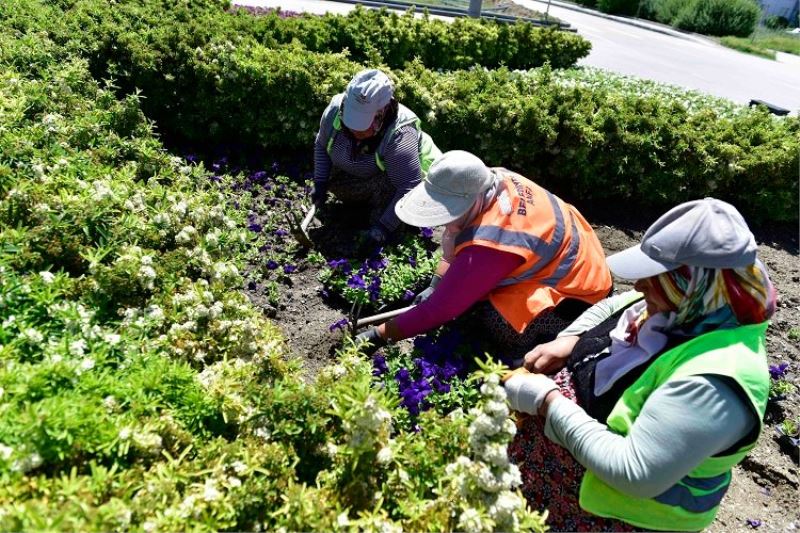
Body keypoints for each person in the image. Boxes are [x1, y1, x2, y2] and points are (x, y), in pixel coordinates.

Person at [503, 198, 776, 532]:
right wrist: (571, 339)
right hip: (557, 478)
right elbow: (618, 305)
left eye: (655, 277)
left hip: (611, 516)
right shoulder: (691, 309)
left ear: (694, 286)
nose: (639, 285)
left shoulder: (716, 380)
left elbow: (633, 472)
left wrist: (547, 402)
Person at [356, 150, 612, 360]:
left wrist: (378, 335)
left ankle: (525, 350)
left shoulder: (490, 243)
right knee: (472, 295)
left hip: (579, 298)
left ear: (470, 200)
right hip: (581, 256)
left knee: (493, 318)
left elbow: (439, 311)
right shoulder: (493, 178)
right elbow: (452, 245)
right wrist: (436, 283)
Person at [312, 68, 441, 249]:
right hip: (367, 174)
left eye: (363, 123)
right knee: (333, 169)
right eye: (350, 120)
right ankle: (362, 207)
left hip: (413, 188)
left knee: (389, 187)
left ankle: (390, 225)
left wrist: (383, 228)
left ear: (383, 112)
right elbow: (322, 145)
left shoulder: (400, 134)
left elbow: (408, 186)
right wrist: (320, 183)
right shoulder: (335, 110)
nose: (354, 129)